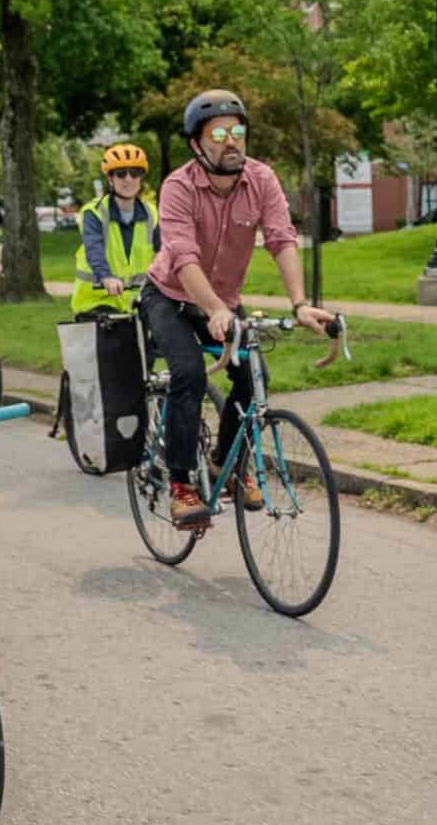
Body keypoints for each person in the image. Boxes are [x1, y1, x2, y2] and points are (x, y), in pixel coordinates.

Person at [142, 90, 336, 527]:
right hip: (170, 296)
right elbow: (183, 258)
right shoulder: (177, 186)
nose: (232, 141)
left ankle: (223, 464)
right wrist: (212, 308)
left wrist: (300, 304)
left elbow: (282, 240)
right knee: (188, 371)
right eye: (219, 134)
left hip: (224, 301)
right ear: (198, 144)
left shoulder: (262, 179)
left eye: (237, 131)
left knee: (254, 377)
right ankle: (180, 486)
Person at [71, 143, 158, 316]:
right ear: (110, 179)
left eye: (134, 174)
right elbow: (93, 248)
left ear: (141, 179)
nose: (128, 179)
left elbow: (165, 251)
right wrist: (106, 276)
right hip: (96, 302)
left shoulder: (151, 213)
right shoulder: (94, 212)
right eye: (121, 174)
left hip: (137, 303)